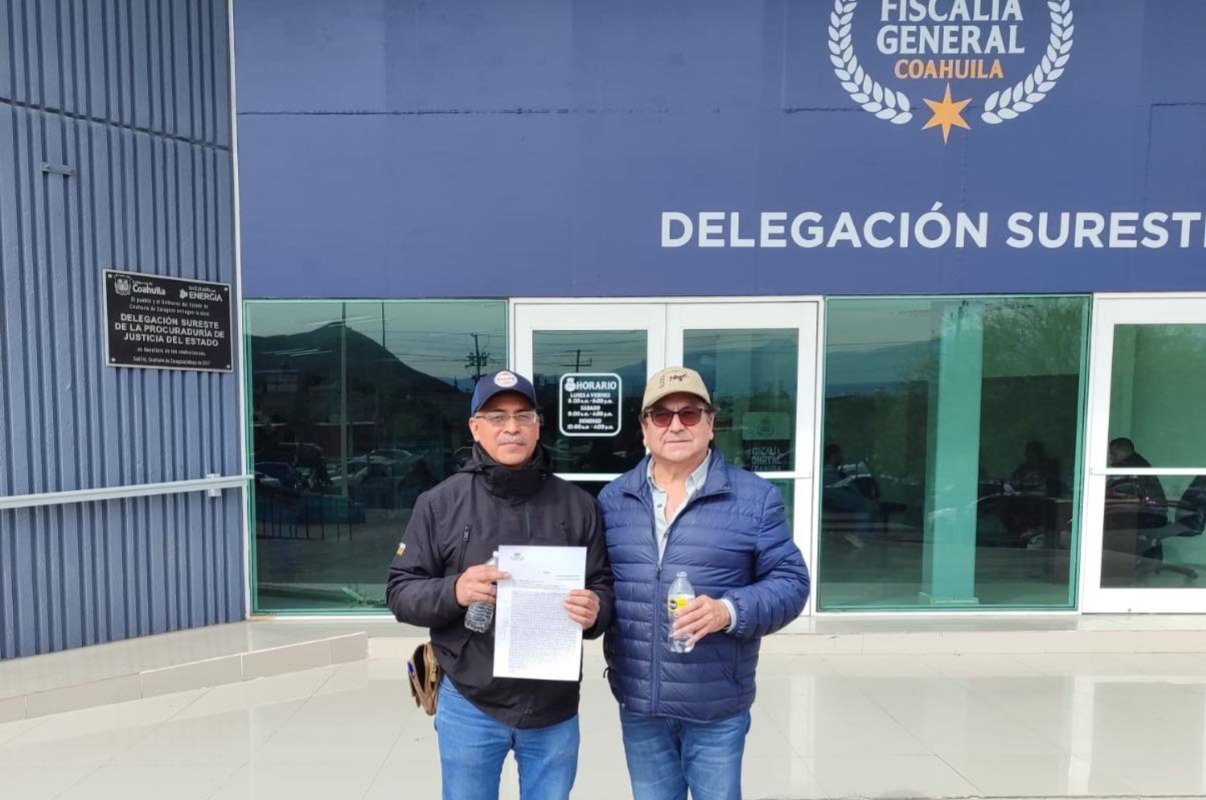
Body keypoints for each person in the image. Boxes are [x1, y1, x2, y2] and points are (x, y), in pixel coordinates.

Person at [386, 369, 614, 800]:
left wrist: (596, 611)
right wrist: (455, 591)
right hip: (469, 699)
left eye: (523, 415)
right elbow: (400, 591)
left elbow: (602, 583)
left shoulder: (579, 505)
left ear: (538, 426)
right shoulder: (439, 503)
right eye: (496, 416)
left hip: (554, 706)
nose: (511, 427)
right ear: (475, 427)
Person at [597, 366, 811, 800]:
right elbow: (600, 585)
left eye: (690, 414)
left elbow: (791, 582)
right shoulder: (613, 500)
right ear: (644, 429)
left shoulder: (755, 499)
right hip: (640, 702)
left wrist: (727, 611)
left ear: (711, 424)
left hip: (715, 703)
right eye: (661, 415)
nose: (676, 425)